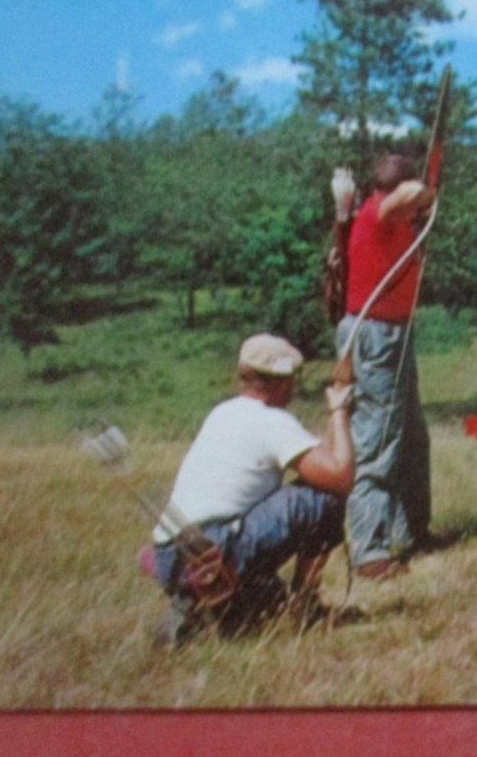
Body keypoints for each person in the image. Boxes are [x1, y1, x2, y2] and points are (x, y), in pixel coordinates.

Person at [149, 333, 354, 646]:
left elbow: (321, 464)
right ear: (280, 381)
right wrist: (339, 412)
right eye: (292, 378)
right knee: (324, 500)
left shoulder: (222, 413)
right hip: (215, 548)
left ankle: (199, 600)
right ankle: (304, 606)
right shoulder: (272, 421)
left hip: (168, 558)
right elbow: (339, 478)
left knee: (264, 601)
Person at [332, 154, 434, 579]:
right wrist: (426, 193)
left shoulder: (385, 215)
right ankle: (370, 553)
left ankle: (410, 531)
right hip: (378, 336)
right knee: (376, 442)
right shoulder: (380, 213)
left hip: (392, 333)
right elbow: (410, 195)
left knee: (410, 437)